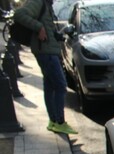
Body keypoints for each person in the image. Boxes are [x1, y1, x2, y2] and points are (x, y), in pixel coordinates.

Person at [13, 0, 77, 134]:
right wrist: (39, 27)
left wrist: (56, 36)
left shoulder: (47, 5)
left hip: (47, 50)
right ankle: (59, 121)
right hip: (46, 53)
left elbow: (48, 28)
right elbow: (19, 14)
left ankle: (53, 121)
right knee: (60, 86)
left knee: (49, 86)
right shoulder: (38, 2)